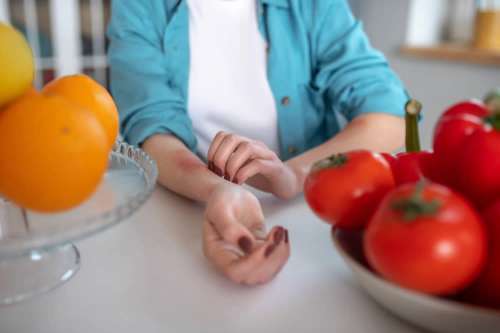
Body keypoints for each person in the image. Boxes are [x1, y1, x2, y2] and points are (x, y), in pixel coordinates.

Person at [107, 0, 407, 285]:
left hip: (309, 212)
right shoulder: (140, 5)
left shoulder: (313, 5)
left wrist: (295, 174)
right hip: (189, 203)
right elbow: (152, 127)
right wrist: (218, 191)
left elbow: (393, 117)